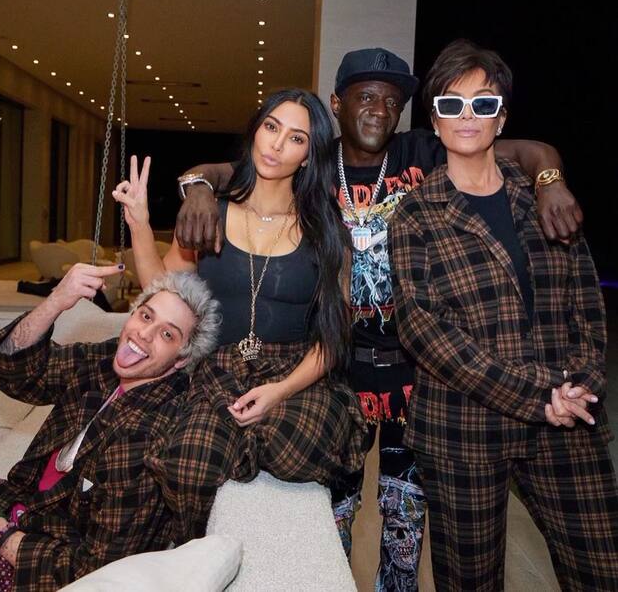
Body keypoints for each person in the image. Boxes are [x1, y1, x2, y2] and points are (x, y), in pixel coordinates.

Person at [165, 48, 584, 590]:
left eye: (391, 101)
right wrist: (198, 190)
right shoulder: (313, 160)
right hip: (338, 368)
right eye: (365, 97)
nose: (379, 110)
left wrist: (549, 180)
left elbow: (530, 151)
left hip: (414, 369)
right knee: (332, 514)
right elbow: (226, 170)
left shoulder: (424, 151)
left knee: (405, 516)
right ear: (337, 103)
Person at [388, 39, 618, 591]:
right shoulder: (414, 215)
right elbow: (425, 331)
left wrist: (582, 385)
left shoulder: (544, 200)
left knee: (603, 569)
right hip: (463, 430)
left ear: (502, 118)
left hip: (568, 418)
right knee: (470, 581)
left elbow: (587, 305)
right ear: (435, 122)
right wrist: (540, 394)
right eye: (452, 104)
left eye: (484, 103)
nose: (468, 116)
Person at [113, 88, 368, 544]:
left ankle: (243, 453)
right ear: (255, 132)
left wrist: (278, 392)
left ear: (309, 155)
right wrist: (139, 223)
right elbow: (164, 293)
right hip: (220, 370)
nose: (277, 144)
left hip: (295, 374)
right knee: (189, 464)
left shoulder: (326, 230)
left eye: (296, 138)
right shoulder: (209, 212)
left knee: (300, 440)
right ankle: (196, 555)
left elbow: (334, 338)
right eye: (271, 127)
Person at [0, 263, 221, 592]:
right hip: (24, 503)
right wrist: (57, 300)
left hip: (40, 562)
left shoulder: (146, 440)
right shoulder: (104, 363)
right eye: (146, 316)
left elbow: (95, 571)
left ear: (181, 359)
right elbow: (11, 370)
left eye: (167, 334)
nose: (144, 334)